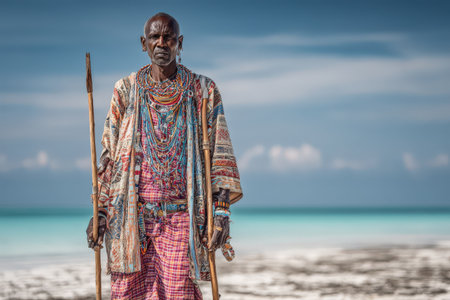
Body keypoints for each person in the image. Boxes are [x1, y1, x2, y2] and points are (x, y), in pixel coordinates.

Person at [85, 12, 243, 299]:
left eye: (168, 37)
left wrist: (221, 213)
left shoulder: (203, 91)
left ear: (179, 43)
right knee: (128, 293)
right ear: (143, 43)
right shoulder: (125, 90)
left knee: (179, 293)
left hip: (181, 216)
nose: (161, 43)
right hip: (131, 217)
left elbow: (220, 155)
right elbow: (109, 160)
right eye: (154, 37)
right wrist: (102, 213)